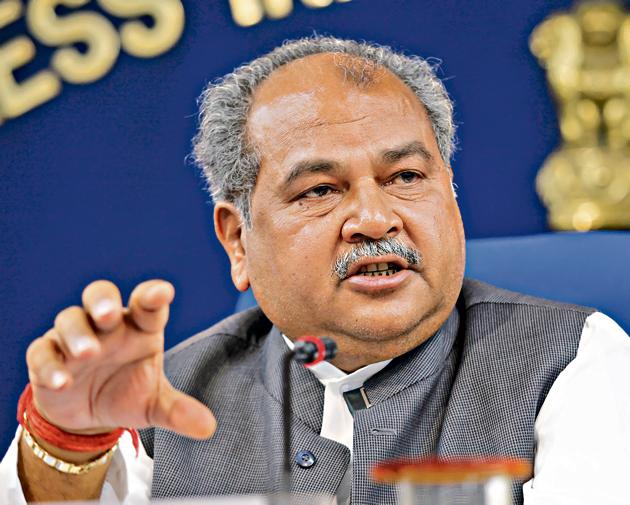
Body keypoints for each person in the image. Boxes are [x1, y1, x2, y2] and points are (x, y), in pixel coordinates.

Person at [1, 36, 629, 505]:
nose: (375, 218)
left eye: (406, 177)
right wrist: (67, 442)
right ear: (238, 240)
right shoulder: (165, 403)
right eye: (321, 190)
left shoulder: (573, 362)